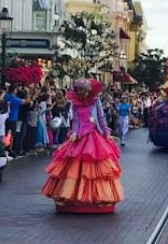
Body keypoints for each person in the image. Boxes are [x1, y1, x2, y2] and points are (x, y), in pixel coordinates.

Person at [41, 78, 123, 213]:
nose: (81, 93)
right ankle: (73, 199)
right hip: (79, 135)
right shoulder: (75, 103)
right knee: (74, 167)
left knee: (95, 168)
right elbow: (76, 121)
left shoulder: (95, 101)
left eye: (84, 91)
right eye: (79, 91)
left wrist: (106, 133)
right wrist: (73, 133)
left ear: (88, 91)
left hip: (94, 135)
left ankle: (98, 199)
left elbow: (100, 118)